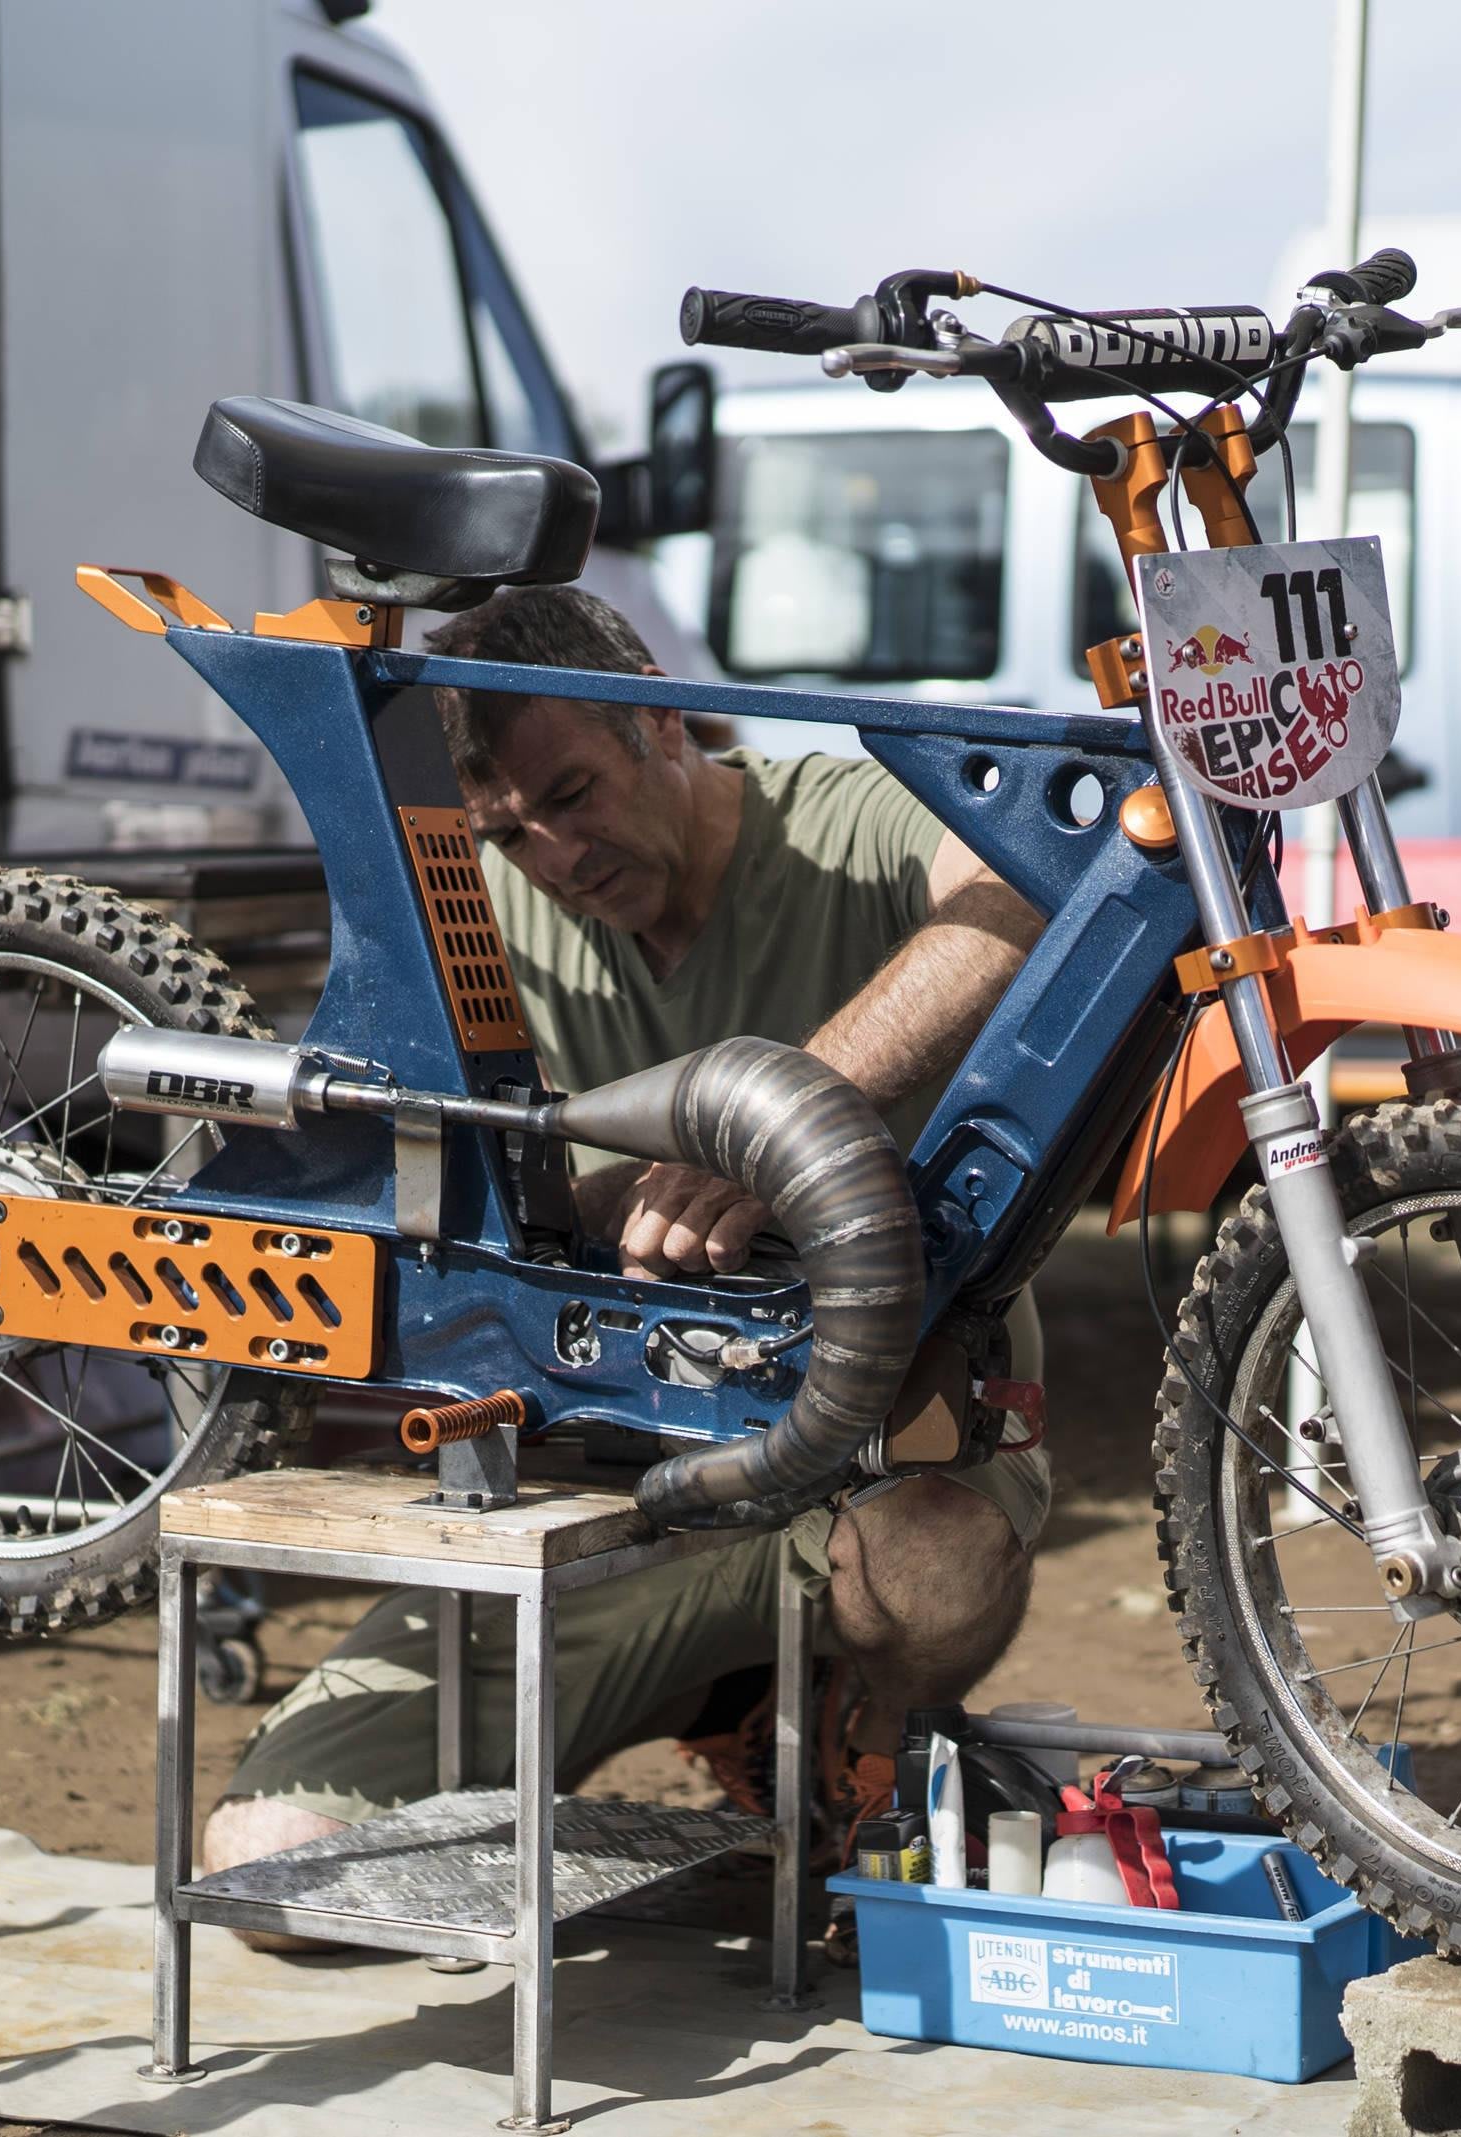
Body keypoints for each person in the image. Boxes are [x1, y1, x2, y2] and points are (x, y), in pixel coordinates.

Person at [201, 585, 1050, 1907]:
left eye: (574, 792)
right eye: (508, 831)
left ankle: (865, 1750)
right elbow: (446, 1186)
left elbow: (1019, 889)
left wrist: (779, 1126)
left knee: (935, 1564)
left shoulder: (838, 823)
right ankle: (722, 1710)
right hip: (613, 1492)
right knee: (274, 1866)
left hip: (887, 1461)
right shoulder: (480, 913)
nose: (555, 856)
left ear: (656, 714)